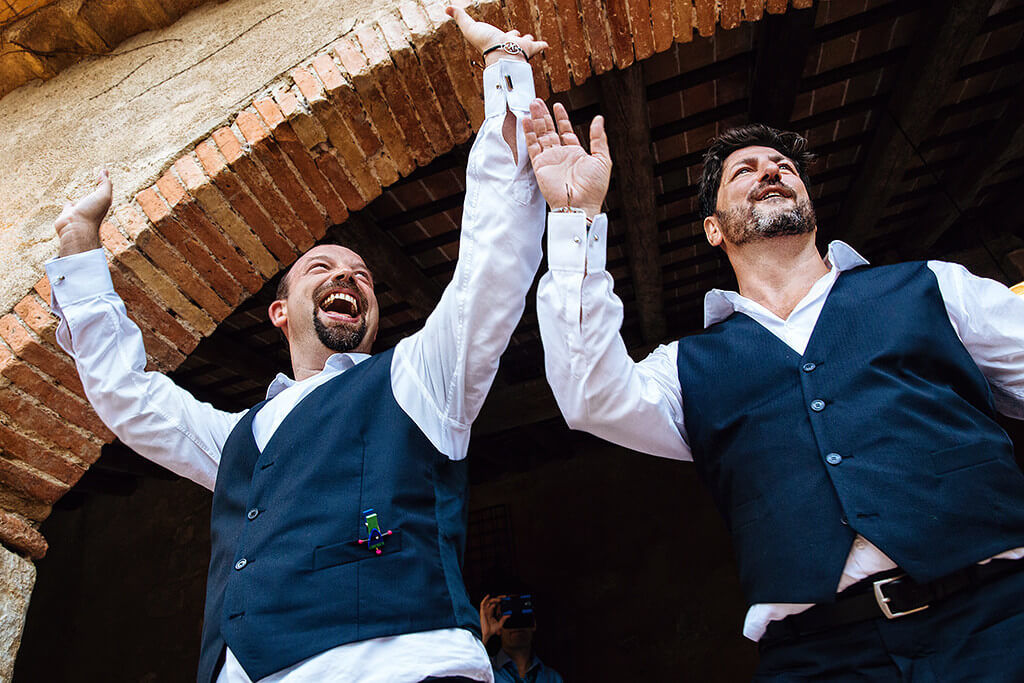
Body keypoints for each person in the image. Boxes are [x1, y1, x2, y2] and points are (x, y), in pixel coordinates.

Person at [46, 8, 548, 682]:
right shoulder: (238, 441)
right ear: (280, 311)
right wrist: (79, 251)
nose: (347, 274)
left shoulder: (419, 378)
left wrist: (506, 67)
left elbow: (495, 259)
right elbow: (125, 394)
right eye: (323, 268)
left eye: (362, 275)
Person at [525, 102, 1024, 681]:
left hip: (1002, 616)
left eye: (783, 165)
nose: (770, 171)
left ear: (808, 203)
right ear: (714, 229)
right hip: (818, 656)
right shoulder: (686, 366)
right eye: (744, 171)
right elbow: (587, 394)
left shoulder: (932, 286)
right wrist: (573, 218)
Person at [478, 595, 563, 683]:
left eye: (523, 616)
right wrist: (485, 635)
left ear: (534, 623)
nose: (517, 624)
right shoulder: (484, 670)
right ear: (498, 625)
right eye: (509, 617)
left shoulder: (552, 678)